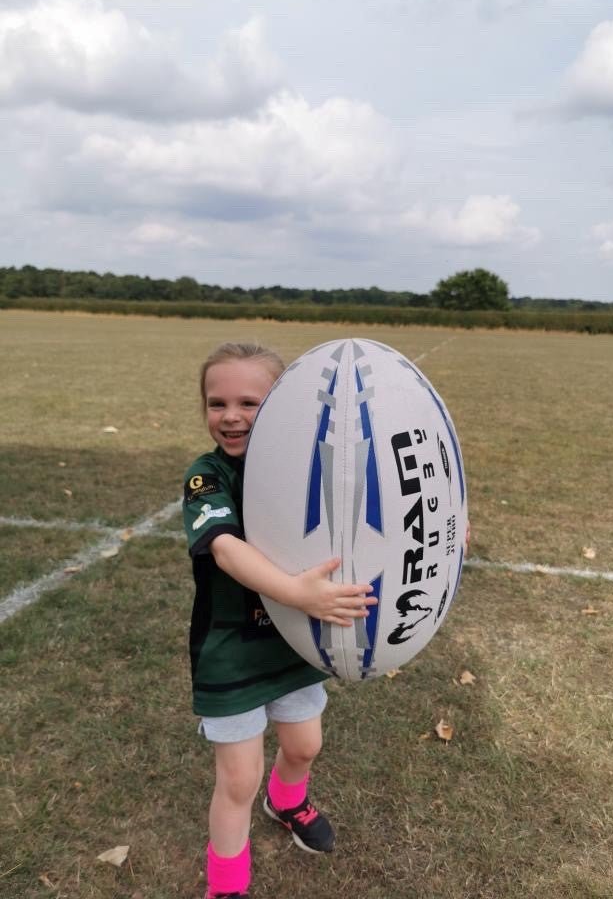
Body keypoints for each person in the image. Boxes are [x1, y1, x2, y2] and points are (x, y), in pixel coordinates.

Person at [182, 342, 377, 899]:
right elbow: (223, 548)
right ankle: (226, 886)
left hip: (294, 643)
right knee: (237, 779)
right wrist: (295, 591)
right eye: (216, 403)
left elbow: (372, 503)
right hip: (233, 650)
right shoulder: (207, 475)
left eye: (250, 401)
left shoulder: (308, 467)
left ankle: (287, 800)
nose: (231, 415)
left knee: (305, 746)